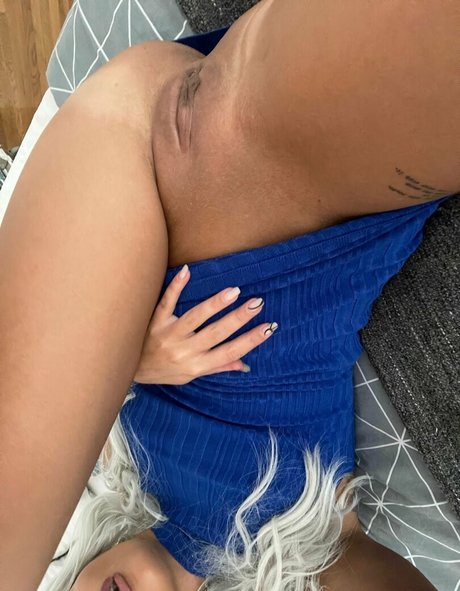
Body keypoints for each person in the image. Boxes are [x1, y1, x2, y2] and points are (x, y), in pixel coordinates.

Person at [0, 0, 458, 589]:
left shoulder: (102, 456)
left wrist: (133, 361)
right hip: (289, 158)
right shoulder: (291, 556)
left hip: (133, 129)